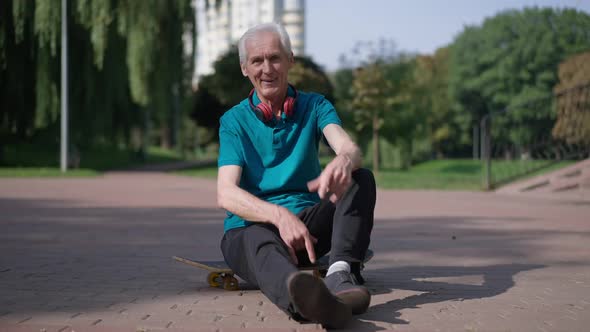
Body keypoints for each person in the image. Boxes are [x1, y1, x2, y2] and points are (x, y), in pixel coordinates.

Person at [216, 22, 376, 329]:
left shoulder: (315, 105)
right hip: (250, 229)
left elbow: (348, 146)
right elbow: (226, 193)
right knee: (257, 240)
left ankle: (340, 275)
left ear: (290, 60)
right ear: (244, 69)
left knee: (361, 177)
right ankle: (309, 303)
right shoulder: (233, 121)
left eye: (275, 58)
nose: (267, 68)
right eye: (257, 61)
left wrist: (344, 159)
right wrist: (277, 215)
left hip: (308, 229)